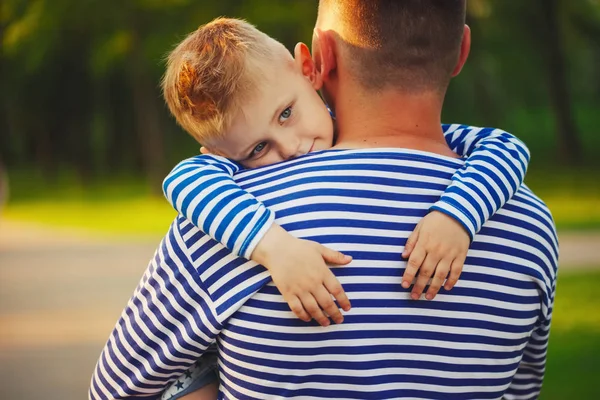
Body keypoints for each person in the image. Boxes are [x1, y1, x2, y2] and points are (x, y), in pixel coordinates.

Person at [90, 1, 558, 399]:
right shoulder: (531, 226)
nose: (290, 148)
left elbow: (114, 387)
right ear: (461, 52)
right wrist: (272, 246)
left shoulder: (219, 227)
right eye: (257, 148)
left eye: (287, 114)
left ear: (317, 60)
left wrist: (458, 215)